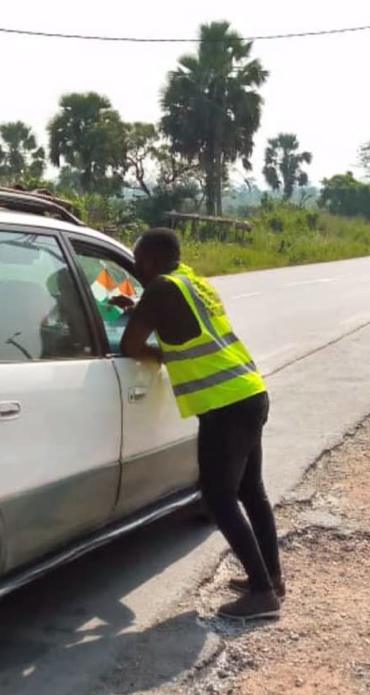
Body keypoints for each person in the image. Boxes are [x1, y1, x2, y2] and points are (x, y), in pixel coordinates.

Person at [118, 228, 283, 622]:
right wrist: (141, 310)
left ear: (153, 261)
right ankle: (272, 578)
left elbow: (129, 346)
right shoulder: (192, 281)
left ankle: (262, 593)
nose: (138, 272)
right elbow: (182, 328)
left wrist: (156, 347)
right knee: (250, 490)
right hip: (249, 391)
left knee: (218, 496)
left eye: (139, 264)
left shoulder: (159, 289)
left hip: (225, 405)